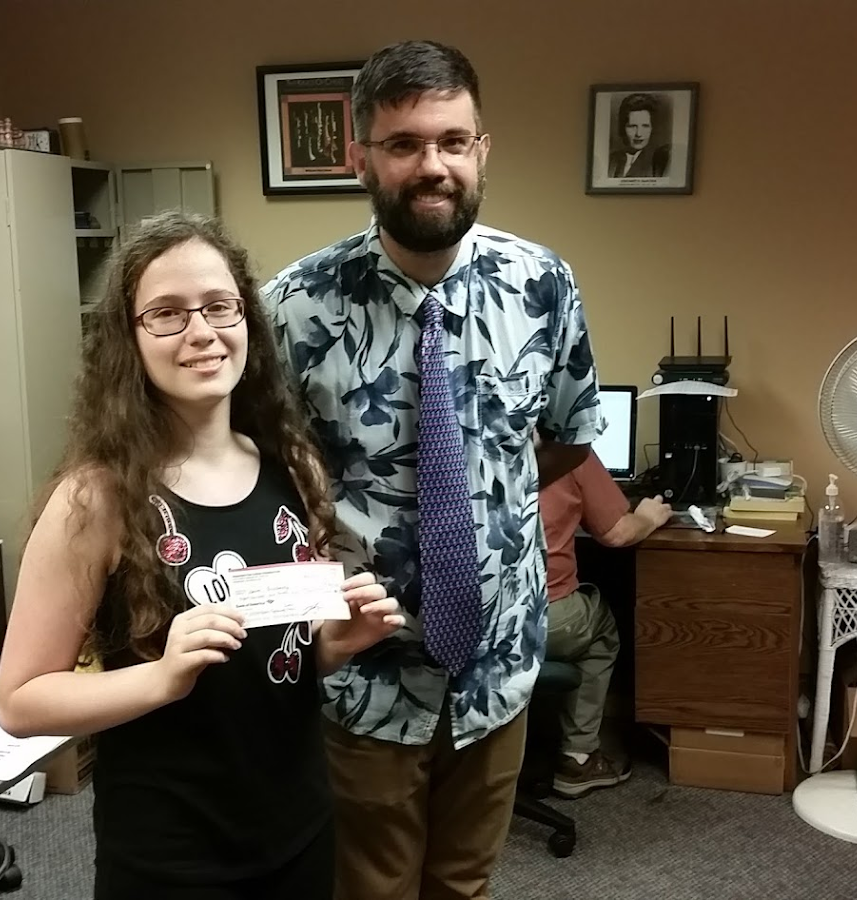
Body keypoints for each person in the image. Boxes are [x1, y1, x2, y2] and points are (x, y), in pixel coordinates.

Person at [262, 39, 602, 900]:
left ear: (482, 149)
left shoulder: (543, 285)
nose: (433, 166)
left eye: (453, 141)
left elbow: (566, 438)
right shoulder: (295, 307)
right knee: (369, 887)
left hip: (498, 658)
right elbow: (261, 478)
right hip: (364, 668)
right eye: (405, 144)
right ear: (360, 157)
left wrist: (483, 500)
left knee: (464, 884)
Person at [0, 211, 404, 900]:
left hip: (298, 829)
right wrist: (161, 677)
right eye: (167, 314)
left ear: (247, 320)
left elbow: (285, 658)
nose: (202, 332)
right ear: (129, 339)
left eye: (219, 306)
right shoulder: (95, 500)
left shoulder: (294, 465)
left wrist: (336, 642)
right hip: (171, 858)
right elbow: (20, 701)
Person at [537, 448, 672, 797]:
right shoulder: (567, 450)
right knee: (601, 627)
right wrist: (648, 517)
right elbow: (616, 533)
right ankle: (578, 756)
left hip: (453, 618)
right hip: (540, 617)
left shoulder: (445, 440)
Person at [608, 92, 670, 178]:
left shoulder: (660, 160)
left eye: (645, 126)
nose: (638, 134)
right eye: (632, 126)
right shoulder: (611, 160)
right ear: (623, 127)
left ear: (652, 128)